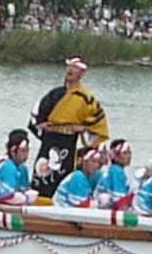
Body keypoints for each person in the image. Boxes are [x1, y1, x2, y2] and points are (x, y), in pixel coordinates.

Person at [29, 57, 110, 198]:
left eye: (75, 68)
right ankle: (37, 200)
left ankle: (61, 201)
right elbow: (36, 115)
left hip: (68, 143)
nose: (70, 70)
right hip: (49, 141)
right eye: (69, 66)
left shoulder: (86, 98)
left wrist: (83, 128)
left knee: (63, 175)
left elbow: (98, 121)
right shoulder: (54, 94)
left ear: (81, 73)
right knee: (42, 174)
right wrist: (41, 125)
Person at [0, 129, 37, 206]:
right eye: (23, 151)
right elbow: (6, 196)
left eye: (27, 151)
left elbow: (25, 189)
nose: (26, 155)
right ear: (13, 151)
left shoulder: (23, 168)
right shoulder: (8, 167)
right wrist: (25, 198)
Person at [93, 139, 135, 210]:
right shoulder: (116, 171)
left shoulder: (113, 170)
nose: (129, 156)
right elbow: (120, 202)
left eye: (129, 152)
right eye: (125, 153)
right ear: (115, 156)